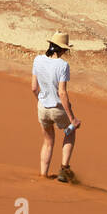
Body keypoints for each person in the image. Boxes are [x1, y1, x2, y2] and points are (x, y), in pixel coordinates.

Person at [32, 31, 81, 182]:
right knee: (69, 132)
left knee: (48, 141)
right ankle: (64, 169)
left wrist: (41, 101)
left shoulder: (37, 60)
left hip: (42, 108)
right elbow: (62, 93)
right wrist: (72, 118)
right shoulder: (63, 65)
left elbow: (34, 88)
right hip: (58, 109)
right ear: (62, 49)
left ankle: (43, 174)